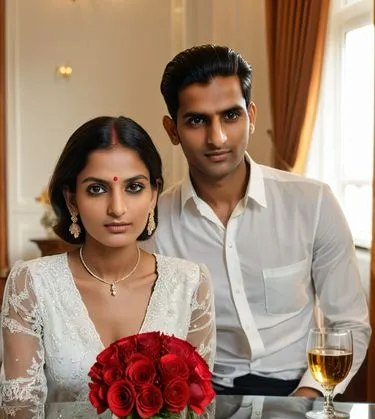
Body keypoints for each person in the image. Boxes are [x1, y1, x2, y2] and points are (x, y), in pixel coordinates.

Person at [142, 44, 371, 397]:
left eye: (230, 116)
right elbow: (149, 334)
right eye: (197, 120)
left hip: (301, 390)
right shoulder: (155, 222)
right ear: (172, 130)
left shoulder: (314, 203)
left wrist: (305, 401)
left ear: (251, 115)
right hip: (203, 401)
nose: (217, 137)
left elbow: (350, 324)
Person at [0, 115, 216, 407]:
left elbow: (195, 411)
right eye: (97, 189)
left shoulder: (190, 284)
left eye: (134, 187)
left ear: (154, 194)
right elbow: (21, 414)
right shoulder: (32, 285)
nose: (117, 208)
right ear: (72, 199)